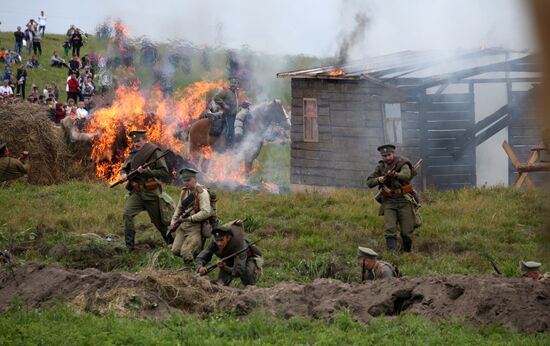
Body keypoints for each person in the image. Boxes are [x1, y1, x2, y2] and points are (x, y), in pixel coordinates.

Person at [120, 130, 174, 250]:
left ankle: (173, 245)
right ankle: (130, 247)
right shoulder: (133, 155)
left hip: (151, 193)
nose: (136, 143)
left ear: (145, 140)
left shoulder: (154, 152)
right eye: (134, 141)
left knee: (160, 223)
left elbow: (164, 173)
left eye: (138, 141)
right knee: (127, 214)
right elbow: (124, 168)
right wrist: (123, 174)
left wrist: (147, 171)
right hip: (137, 193)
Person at [366, 144, 418, 252]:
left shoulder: (402, 162)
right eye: (384, 156)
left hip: (404, 200)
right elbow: (369, 182)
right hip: (389, 201)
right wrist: (379, 180)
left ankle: (407, 251)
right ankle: (392, 253)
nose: (387, 158)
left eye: (389, 155)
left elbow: (406, 175)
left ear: (393, 153)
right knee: (390, 229)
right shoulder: (381, 166)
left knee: (406, 231)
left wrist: (395, 175)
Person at [196, 222, 263, 286]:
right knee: (220, 284)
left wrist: (225, 268)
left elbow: (239, 271)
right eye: (217, 240)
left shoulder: (239, 245)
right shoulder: (214, 242)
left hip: (246, 258)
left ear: (228, 238)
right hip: (228, 260)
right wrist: (200, 267)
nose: (219, 243)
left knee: (248, 274)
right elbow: (201, 257)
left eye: (222, 240)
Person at [169, 168, 212, 263]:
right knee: (175, 250)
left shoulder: (202, 193)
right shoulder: (184, 191)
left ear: (194, 179)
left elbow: (205, 212)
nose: (185, 183)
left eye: (188, 180)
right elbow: (179, 208)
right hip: (182, 226)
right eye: (184, 180)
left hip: (195, 227)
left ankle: (191, 271)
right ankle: (194, 257)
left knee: (185, 252)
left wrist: (189, 219)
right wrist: (173, 221)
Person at [213, 77, 241, 147]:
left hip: (236, 114)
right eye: (232, 83)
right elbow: (216, 98)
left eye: (235, 83)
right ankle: (229, 145)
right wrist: (224, 104)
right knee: (231, 129)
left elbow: (237, 103)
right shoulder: (225, 92)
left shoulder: (236, 93)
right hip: (228, 114)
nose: (234, 85)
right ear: (230, 84)